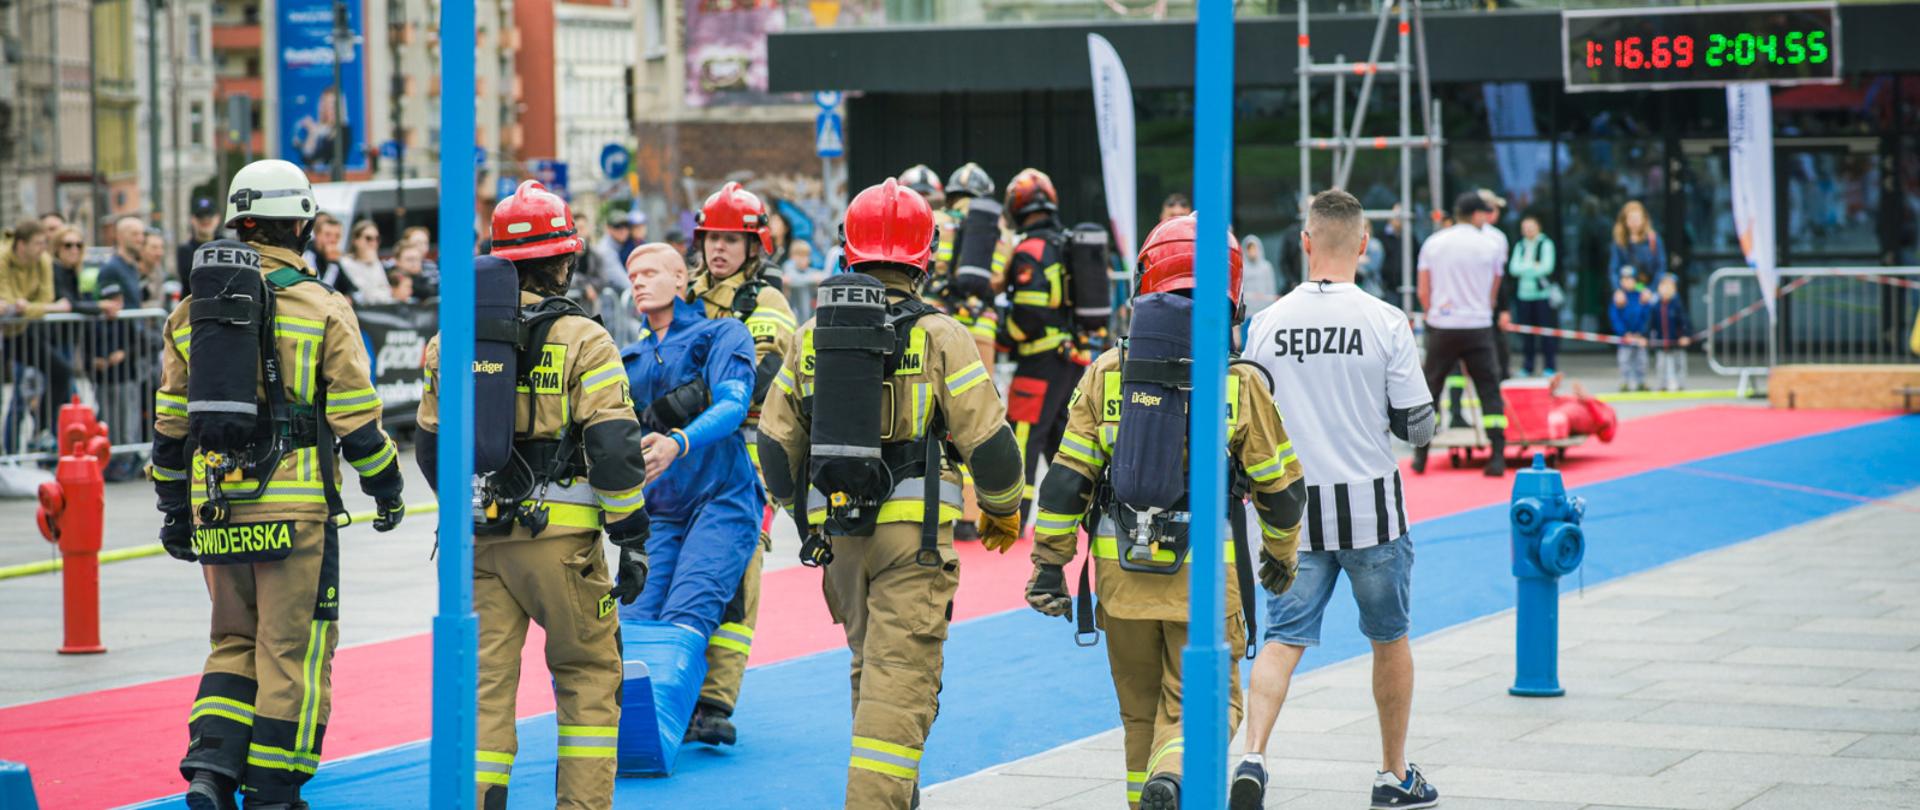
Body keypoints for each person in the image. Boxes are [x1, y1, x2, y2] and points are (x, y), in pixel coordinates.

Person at [757, 179, 1027, 810]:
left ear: (849, 251)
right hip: (915, 540)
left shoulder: (811, 332)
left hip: (840, 538)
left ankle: (894, 798)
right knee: (902, 678)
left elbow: (774, 446)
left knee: (871, 670)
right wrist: (1004, 508)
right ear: (924, 256)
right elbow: (989, 444)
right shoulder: (941, 335)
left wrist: (806, 516)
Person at [1025, 213, 1305, 810]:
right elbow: (1281, 492)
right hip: (1204, 587)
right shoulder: (1237, 383)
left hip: (1122, 585)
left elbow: (1064, 484)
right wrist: (1280, 555)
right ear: (1231, 292)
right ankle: (1170, 780)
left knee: (1138, 719)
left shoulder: (1106, 373)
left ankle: (1149, 794)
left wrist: (1048, 566)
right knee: (1207, 708)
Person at [154, 158, 406, 810]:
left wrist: (173, 510)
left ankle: (211, 771)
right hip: (295, 513)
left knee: (232, 642)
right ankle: (273, 789)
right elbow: (357, 421)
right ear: (303, 224)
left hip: (217, 507)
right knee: (291, 651)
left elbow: (171, 424)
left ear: (240, 222)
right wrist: (387, 490)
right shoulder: (324, 306)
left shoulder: (192, 313)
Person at [415, 179, 650, 810]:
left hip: (481, 544)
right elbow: (615, 447)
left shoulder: (452, 341)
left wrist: (466, 512)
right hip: (562, 546)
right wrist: (631, 536)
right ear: (566, 260)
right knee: (588, 677)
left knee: (487, 689)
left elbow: (431, 448)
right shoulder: (585, 339)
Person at [1235, 189, 1440, 810]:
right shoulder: (1385, 320)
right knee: (1390, 637)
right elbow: (1419, 424)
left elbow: (1246, 415)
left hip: (1291, 510)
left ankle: (1252, 757)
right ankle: (1392, 773)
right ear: (1364, 244)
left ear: (1304, 242)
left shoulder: (1266, 323)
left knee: (1283, 637)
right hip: (1371, 506)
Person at [618, 242, 763, 744]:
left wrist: (679, 441)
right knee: (632, 624)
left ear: (682, 280)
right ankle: (640, 737)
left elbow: (734, 404)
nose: (638, 280)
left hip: (723, 500)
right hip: (659, 511)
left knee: (688, 613)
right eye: (633, 272)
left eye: (652, 271)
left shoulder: (722, 333)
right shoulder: (626, 359)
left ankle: (664, 733)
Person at [681, 181, 798, 747]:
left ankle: (713, 701)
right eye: (711, 238)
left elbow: (761, 381)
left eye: (732, 239)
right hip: (680, 462)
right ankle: (673, 687)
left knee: (733, 582)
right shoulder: (683, 295)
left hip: (743, 465)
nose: (719, 249)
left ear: (755, 248)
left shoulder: (767, 305)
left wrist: (687, 388)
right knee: (672, 572)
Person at [997, 168, 1080, 521]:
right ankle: (1077, 512)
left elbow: (1029, 313)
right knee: (1061, 441)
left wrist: (1003, 335)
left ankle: (1015, 517)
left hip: (1039, 360)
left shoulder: (1031, 249)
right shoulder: (1063, 243)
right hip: (1069, 357)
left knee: (1023, 437)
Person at [1414, 192, 1509, 477]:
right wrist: (1482, 309)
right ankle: (1497, 456)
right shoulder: (1491, 244)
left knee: (1431, 390)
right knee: (1489, 391)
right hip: (1478, 325)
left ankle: (1421, 456)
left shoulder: (1434, 243)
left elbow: (1423, 288)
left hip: (1443, 326)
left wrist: (1434, 314)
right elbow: (1494, 289)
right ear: (1478, 215)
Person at [1, 219, 76, 454]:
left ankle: (41, 429)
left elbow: (44, 299)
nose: (43, 248)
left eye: (44, 243)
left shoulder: (43, 260)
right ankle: (8, 455)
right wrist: (24, 307)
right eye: (37, 243)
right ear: (21, 245)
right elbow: (9, 302)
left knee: (61, 371)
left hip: (23, 330)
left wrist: (25, 307)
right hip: (8, 330)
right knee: (17, 400)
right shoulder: (3, 259)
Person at [1509, 215, 1559, 376]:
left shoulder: (1546, 243)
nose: (1528, 230)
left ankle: (1549, 366)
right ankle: (1528, 366)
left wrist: (1525, 268)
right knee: (1527, 334)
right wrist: (1533, 266)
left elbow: (1547, 268)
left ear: (1538, 227)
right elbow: (1513, 269)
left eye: (1531, 227)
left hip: (1542, 295)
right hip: (1524, 296)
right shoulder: (1520, 245)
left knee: (1546, 333)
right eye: (1525, 228)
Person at [1610, 266, 1653, 391]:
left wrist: (1642, 333)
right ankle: (1625, 382)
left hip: (1639, 337)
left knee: (1642, 361)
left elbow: (1647, 315)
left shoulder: (1642, 296)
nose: (1627, 282)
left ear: (1636, 281)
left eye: (1630, 279)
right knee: (1624, 361)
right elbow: (1615, 317)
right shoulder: (1619, 297)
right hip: (1625, 338)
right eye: (1624, 279)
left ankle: (1641, 382)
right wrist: (1624, 333)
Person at [1648, 273, 1690, 391]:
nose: (1666, 289)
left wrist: (1685, 335)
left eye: (1670, 286)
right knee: (1661, 364)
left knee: (1679, 364)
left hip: (1676, 341)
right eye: (1664, 286)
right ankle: (1662, 384)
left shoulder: (1677, 305)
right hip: (1662, 341)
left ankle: (1681, 384)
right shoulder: (1656, 306)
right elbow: (1651, 323)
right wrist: (1647, 336)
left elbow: (1684, 321)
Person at [1608, 200, 1665, 287]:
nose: (1634, 222)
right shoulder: (1619, 241)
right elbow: (1614, 268)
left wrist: (1651, 290)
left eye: (1637, 218)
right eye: (1630, 218)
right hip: (1626, 291)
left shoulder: (1653, 239)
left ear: (1644, 219)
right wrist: (1618, 289)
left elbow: (1660, 267)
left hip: (1647, 290)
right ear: (1625, 220)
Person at [338, 221, 393, 305]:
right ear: (356, 240)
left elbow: (387, 292)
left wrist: (372, 264)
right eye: (368, 238)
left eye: (377, 239)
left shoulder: (375, 262)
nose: (373, 243)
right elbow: (362, 293)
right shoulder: (345, 262)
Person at [177, 195, 223, 285]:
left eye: (209, 216)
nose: (205, 220)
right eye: (200, 216)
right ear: (192, 219)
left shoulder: (228, 246)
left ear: (218, 218)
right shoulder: (185, 251)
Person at [306, 214, 353, 297]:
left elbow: (351, 289)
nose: (333, 240)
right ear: (317, 235)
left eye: (337, 236)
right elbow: (321, 289)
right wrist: (332, 263)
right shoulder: (307, 254)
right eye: (328, 235)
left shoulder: (333, 257)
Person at [1242, 234, 1280, 314]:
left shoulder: (1266, 267)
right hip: (1247, 312)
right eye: (1249, 249)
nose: (1252, 252)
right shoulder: (1242, 268)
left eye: (1254, 248)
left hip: (1264, 311)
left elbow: (1271, 289)